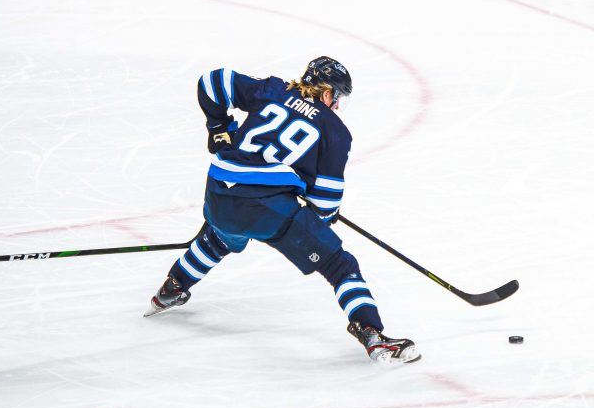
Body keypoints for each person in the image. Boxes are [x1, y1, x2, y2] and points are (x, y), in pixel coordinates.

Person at [144, 57, 421, 364]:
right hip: (267, 208)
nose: (338, 106)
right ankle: (371, 332)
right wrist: (319, 219)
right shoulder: (335, 131)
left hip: (218, 190)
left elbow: (212, 82)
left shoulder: (273, 89)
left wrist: (218, 127)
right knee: (340, 266)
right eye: (338, 98)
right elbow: (326, 202)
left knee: (220, 238)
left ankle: (173, 287)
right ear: (326, 93)